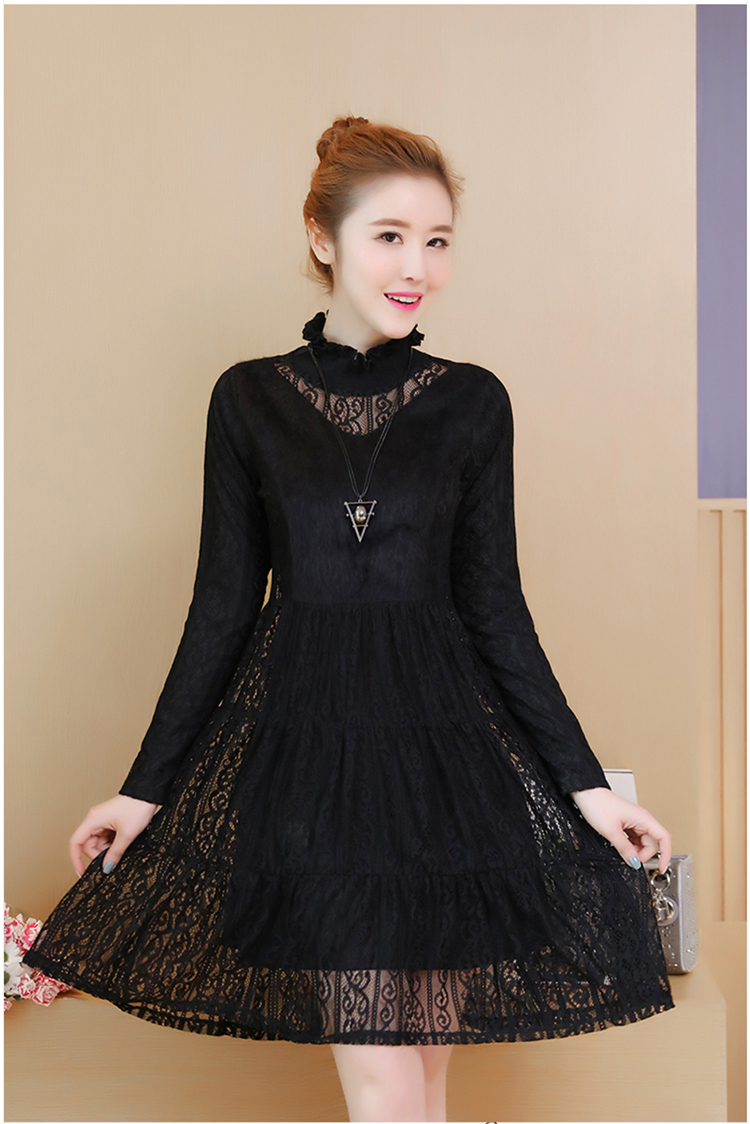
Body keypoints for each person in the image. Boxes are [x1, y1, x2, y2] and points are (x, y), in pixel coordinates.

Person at [23, 117, 674, 1124]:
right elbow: (222, 608)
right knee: (381, 1080)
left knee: (426, 1075)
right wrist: (143, 790)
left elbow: (497, 612)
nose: (418, 266)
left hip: (448, 777)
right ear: (322, 237)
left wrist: (586, 788)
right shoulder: (249, 400)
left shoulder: (473, 404)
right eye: (390, 236)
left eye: (439, 240)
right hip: (311, 777)